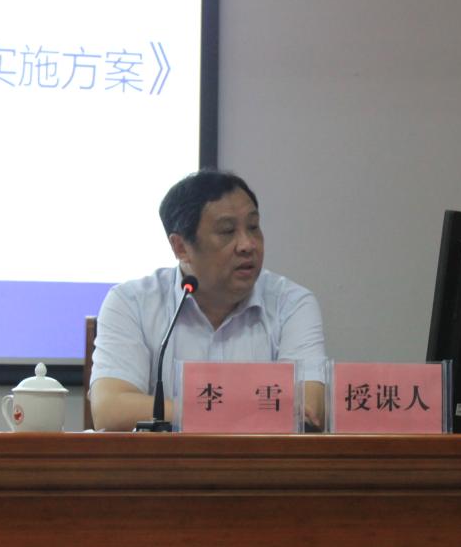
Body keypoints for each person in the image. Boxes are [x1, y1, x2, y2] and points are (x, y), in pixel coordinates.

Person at [89, 169, 328, 431]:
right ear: (181, 247)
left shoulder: (291, 303)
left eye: (253, 227)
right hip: (166, 459)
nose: (247, 245)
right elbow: (110, 409)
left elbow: (307, 409)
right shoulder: (132, 303)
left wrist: (201, 412)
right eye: (227, 231)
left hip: (262, 459)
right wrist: (236, 412)